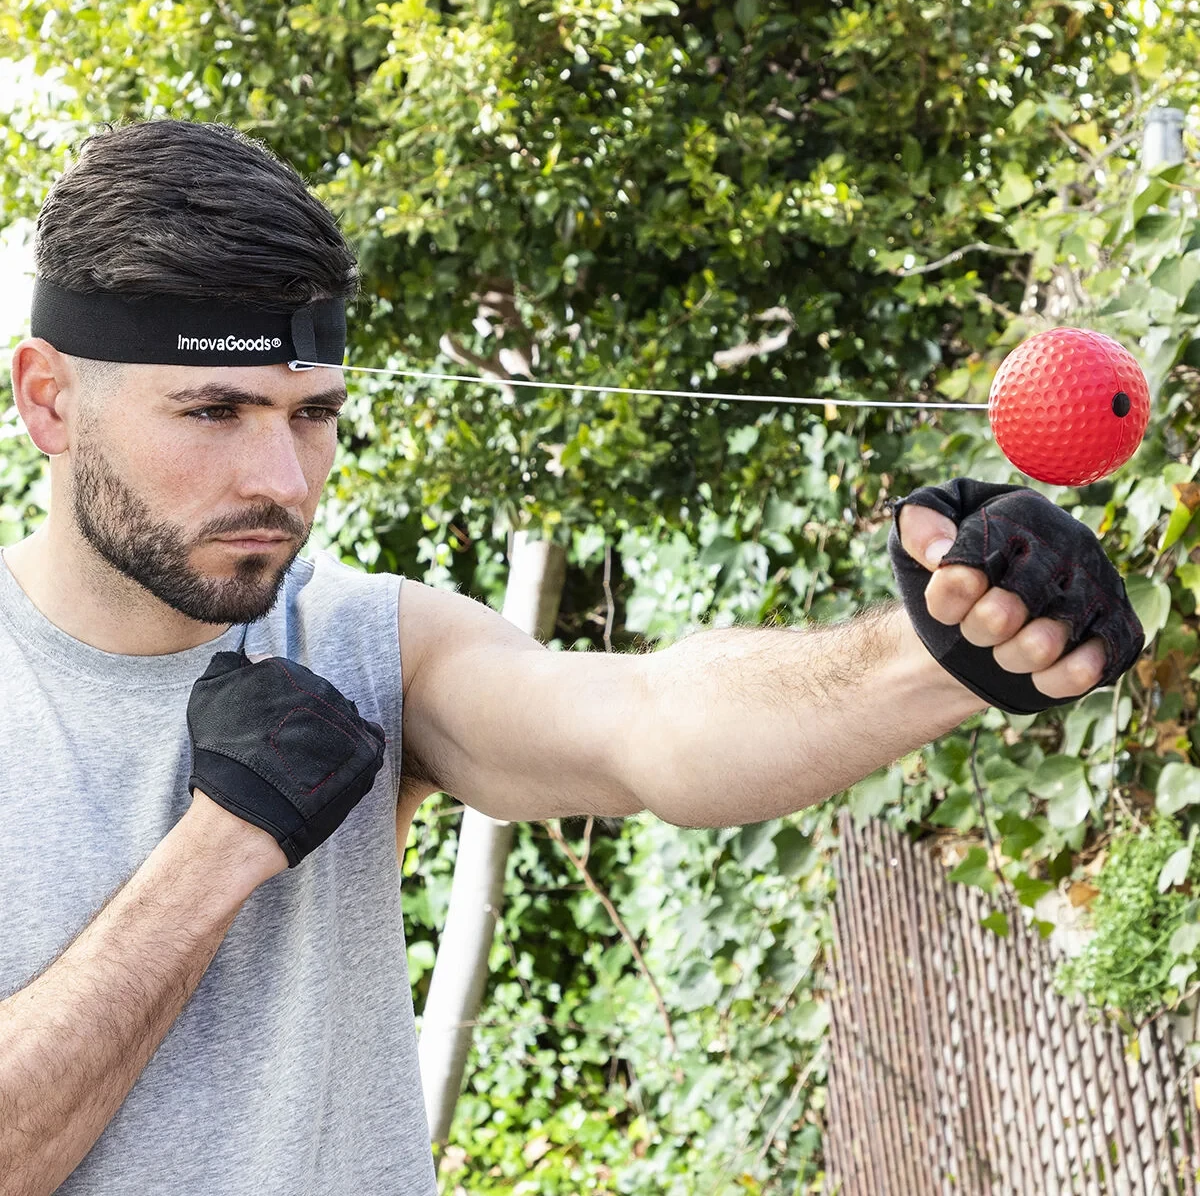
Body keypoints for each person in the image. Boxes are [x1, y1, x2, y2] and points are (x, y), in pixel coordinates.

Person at [0, 119, 1142, 1195]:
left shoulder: (359, 642)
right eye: (213, 412)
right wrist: (221, 849)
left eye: (313, 415)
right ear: (49, 400)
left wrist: (932, 652)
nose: (286, 483)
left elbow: (646, 725)